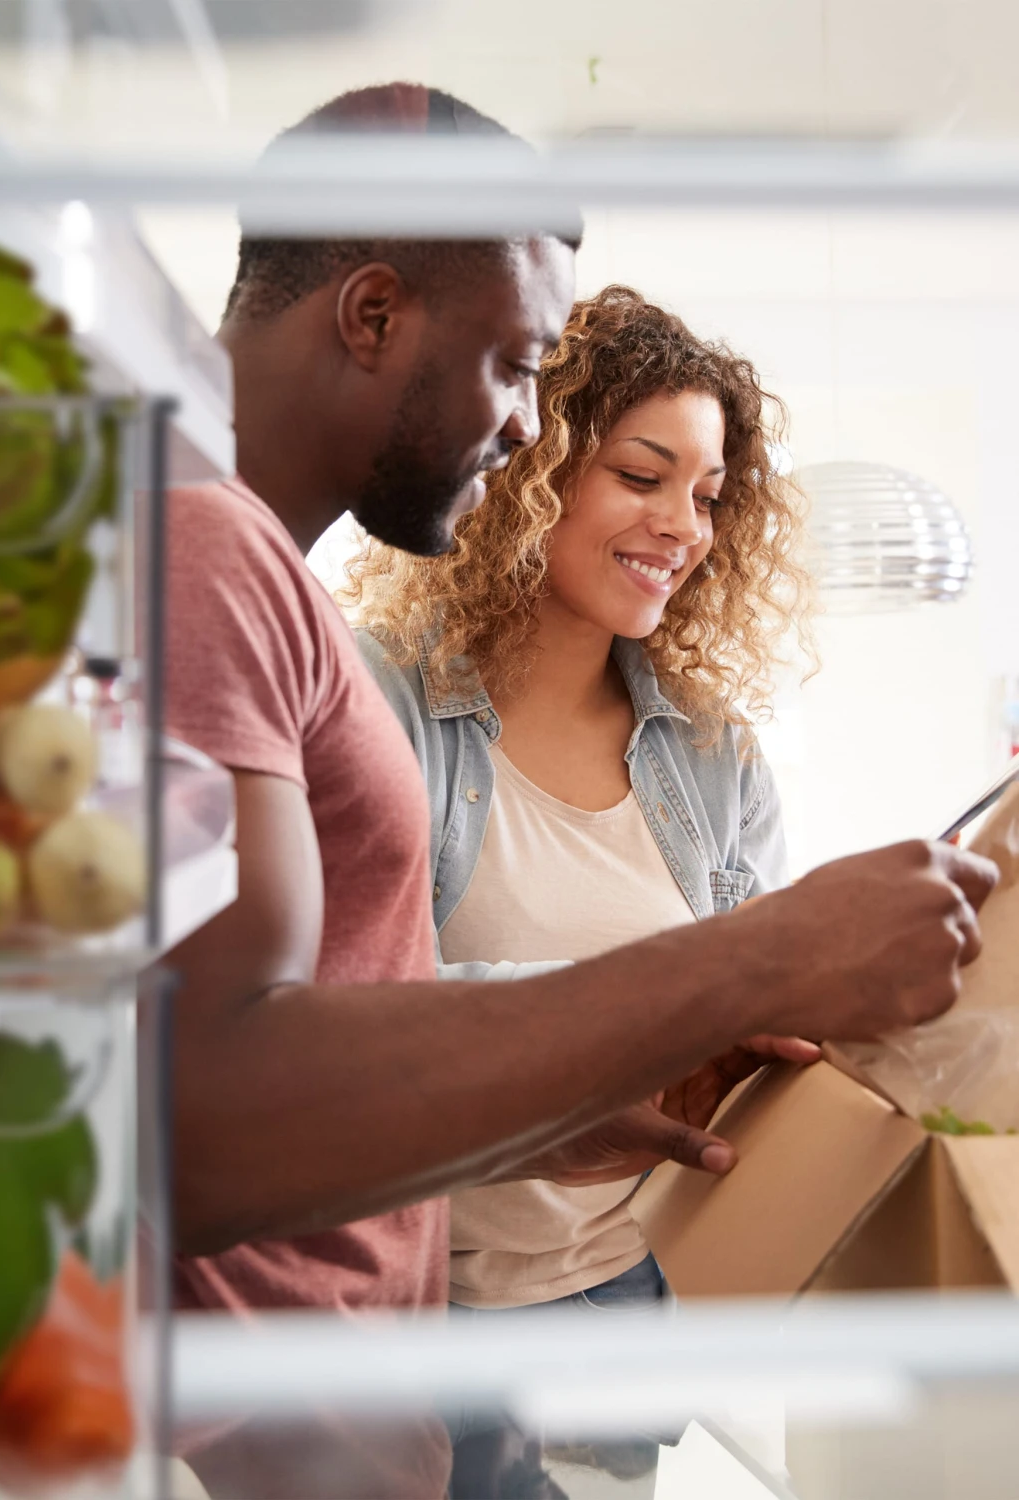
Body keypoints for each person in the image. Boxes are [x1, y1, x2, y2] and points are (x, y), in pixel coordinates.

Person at [161, 83, 995, 1499]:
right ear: (372, 315)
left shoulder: (239, 569)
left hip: (428, 1389)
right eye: (510, 365)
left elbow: (321, 1028)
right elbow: (217, 1112)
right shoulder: (213, 562)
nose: (514, 427)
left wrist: (560, 1103)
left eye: (709, 494)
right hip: (305, 1427)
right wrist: (758, 958)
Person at [351, 285, 813, 1497]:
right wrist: (626, 1022)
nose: (684, 526)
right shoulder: (381, 706)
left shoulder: (714, 756)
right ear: (531, 470)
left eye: (708, 495)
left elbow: (755, 1037)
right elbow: (337, 1016)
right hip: (421, 1328)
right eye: (642, 476)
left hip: (624, 1311)